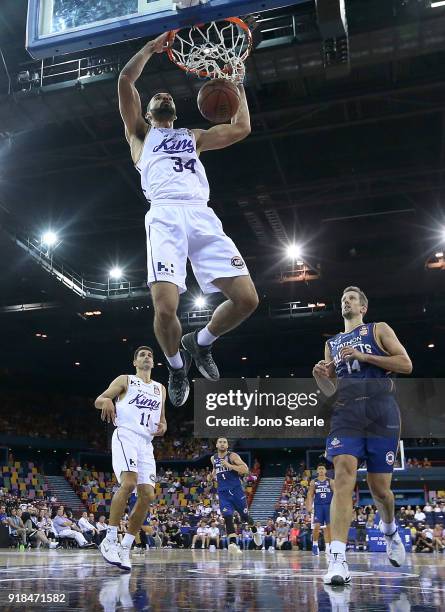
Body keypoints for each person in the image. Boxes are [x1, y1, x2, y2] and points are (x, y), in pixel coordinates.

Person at [118, 33, 258, 407]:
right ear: (148, 112)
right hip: (163, 214)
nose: (162, 95)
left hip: (201, 213)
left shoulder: (192, 136)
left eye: (167, 96)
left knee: (247, 299)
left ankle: (200, 343)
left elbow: (241, 128)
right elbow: (125, 81)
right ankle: (177, 366)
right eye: (156, 97)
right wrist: (149, 48)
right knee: (165, 308)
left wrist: (237, 83)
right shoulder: (140, 135)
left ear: (176, 111)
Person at [313, 286, 412, 585]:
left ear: (363, 307)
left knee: (381, 490)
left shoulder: (378, 330)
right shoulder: (331, 343)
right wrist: (322, 379)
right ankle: (338, 559)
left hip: (381, 411)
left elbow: (405, 364)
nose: (346, 301)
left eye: (352, 298)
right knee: (343, 475)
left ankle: (390, 529)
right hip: (347, 413)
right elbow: (332, 392)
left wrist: (364, 356)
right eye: (343, 298)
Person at [95, 345, 167, 572]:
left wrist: (164, 426)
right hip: (126, 434)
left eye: (150, 355)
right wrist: (105, 401)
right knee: (128, 483)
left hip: (146, 443)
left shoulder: (160, 389)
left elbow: (162, 419)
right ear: (135, 362)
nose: (147, 357)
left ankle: (126, 546)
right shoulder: (125, 380)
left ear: (153, 363)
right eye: (142, 355)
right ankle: (110, 538)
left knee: (148, 494)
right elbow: (100, 399)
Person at [209, 437, 261, 554]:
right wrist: (211, 476)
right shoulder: (213, 458)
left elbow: (245, 469)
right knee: (227, 516)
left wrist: (229, 465)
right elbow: (215, 469)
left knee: (245, 517)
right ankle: (233, 544)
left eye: (224, 442)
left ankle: (254, 530)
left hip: (236, 491)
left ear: (227, 446)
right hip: (223, 492)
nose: (222, 444)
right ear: (216, 445)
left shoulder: (232, 456)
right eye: (220, 442)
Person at [306, 463, 334, 557]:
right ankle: (315, 545)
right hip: (318, 506)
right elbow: (310, 494)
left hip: (329, 505)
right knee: (317, 526)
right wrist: (309, 506)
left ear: (325, 471)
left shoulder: (330, 481)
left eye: (323, 468)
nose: (321, 470)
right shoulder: (314, 482)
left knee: (328, 527)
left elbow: (336, 494)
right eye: (319, 468)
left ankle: (328, 547)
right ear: (317, 471)